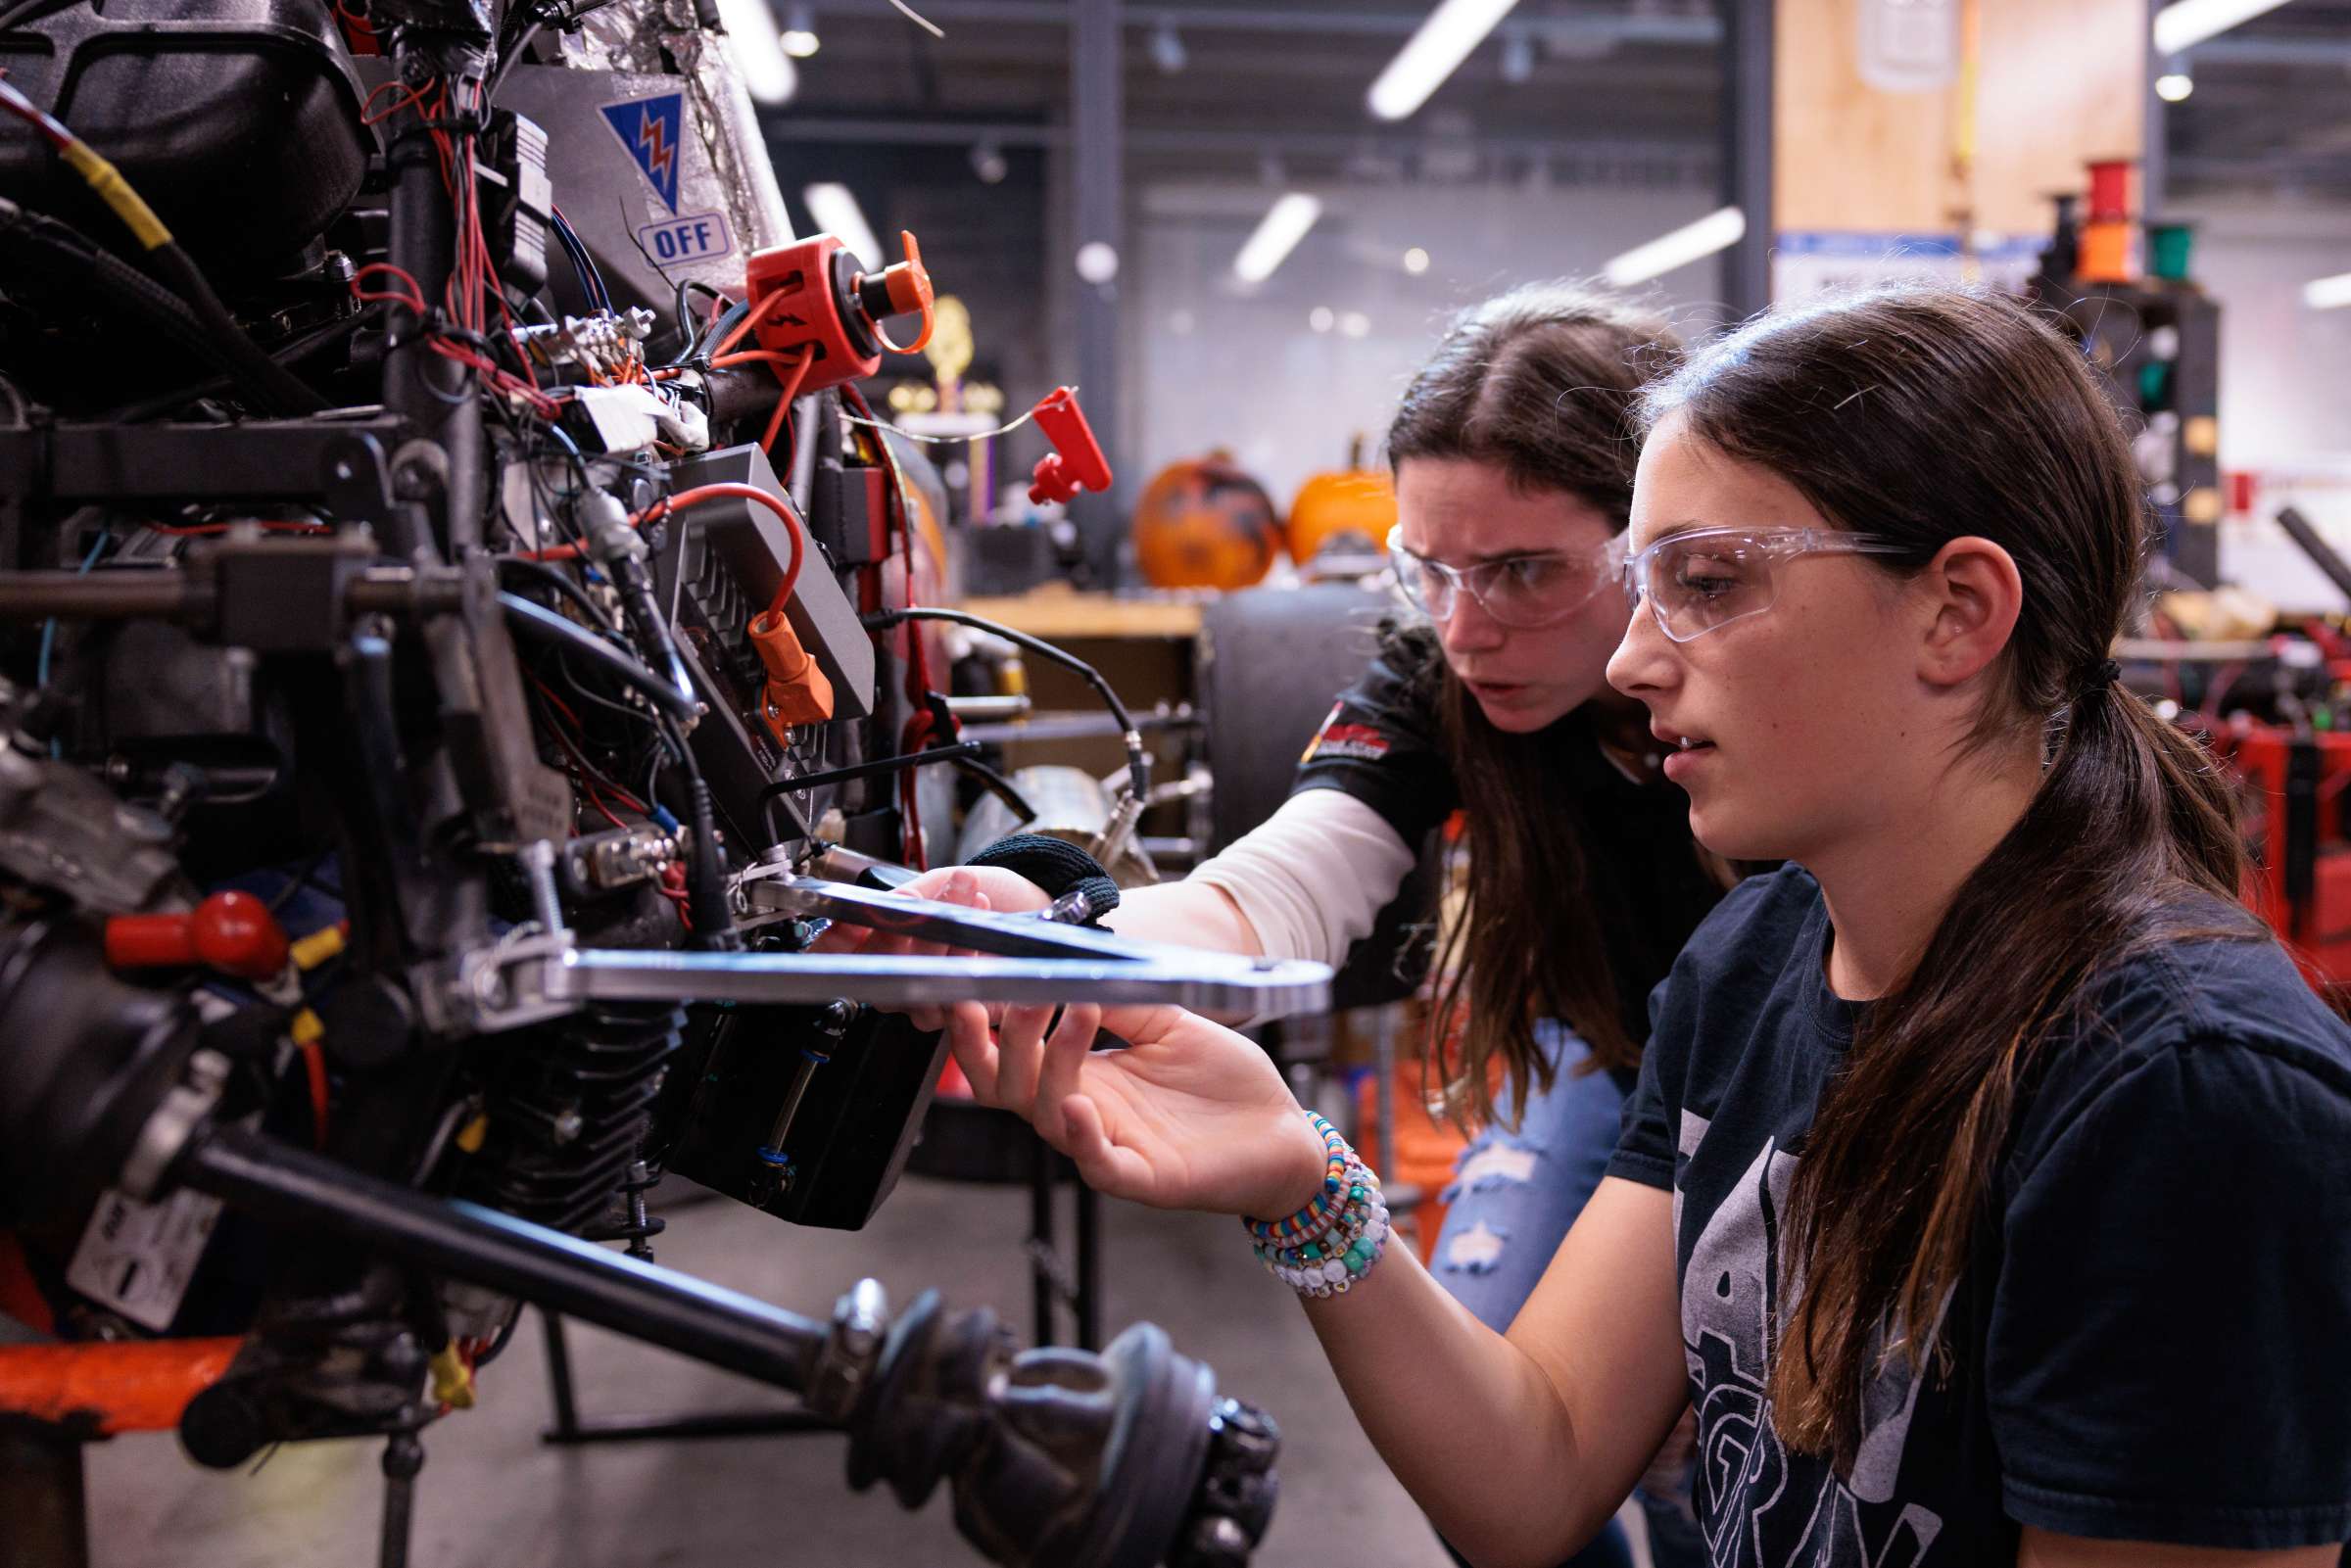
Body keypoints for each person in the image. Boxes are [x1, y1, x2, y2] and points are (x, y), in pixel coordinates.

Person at [926, 284, 2351, 1566]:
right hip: (1652, 1051)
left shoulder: (2184, 1102)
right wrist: (1290, 1168)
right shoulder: (1741, 964)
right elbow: (1531, 1471)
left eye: (1705, 581)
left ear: (1959, 610)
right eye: (1432, 572)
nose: (1621, 652)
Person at [837, 283, 1727, 1565]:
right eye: (1433, 568)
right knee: (1481, 1422)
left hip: (1796, 1087)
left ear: (1655, 536)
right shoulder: (1439, 664)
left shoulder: (1763, 688)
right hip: (1610, 1047)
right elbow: (1275, 893)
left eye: (1526, 570)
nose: (1469, 627)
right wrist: (1051, 915)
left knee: (1736, 1460)